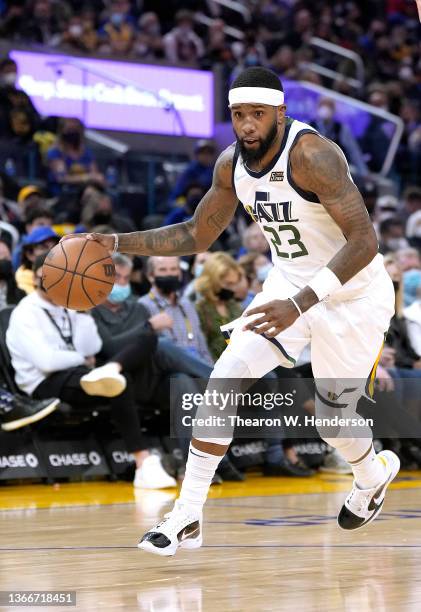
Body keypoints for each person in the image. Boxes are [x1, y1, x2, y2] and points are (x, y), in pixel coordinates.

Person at [64, 66, 399, 555]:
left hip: (353, 294)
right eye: (239, 115)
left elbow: (365, 241)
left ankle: (373, 474)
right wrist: (113, 242)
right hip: (286, 284)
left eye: (257, 115)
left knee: (332, 423)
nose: (247, 126)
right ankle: (187, 515)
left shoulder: (314, 155)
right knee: (225, 378)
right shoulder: (231, 165)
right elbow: (197, 234)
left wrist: (301, 303)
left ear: (280, 114)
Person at [6, 254, 177, 490]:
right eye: (47, 275)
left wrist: (82, 312)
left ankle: (112, 368)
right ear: (36, 278)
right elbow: (46, 362)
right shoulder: (25, 312)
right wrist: (80, 358)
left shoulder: (71, 308)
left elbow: (93, 347)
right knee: (118, 383)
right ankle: (142, 462)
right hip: (43, 383)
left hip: (79, 374)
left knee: (147, 340)